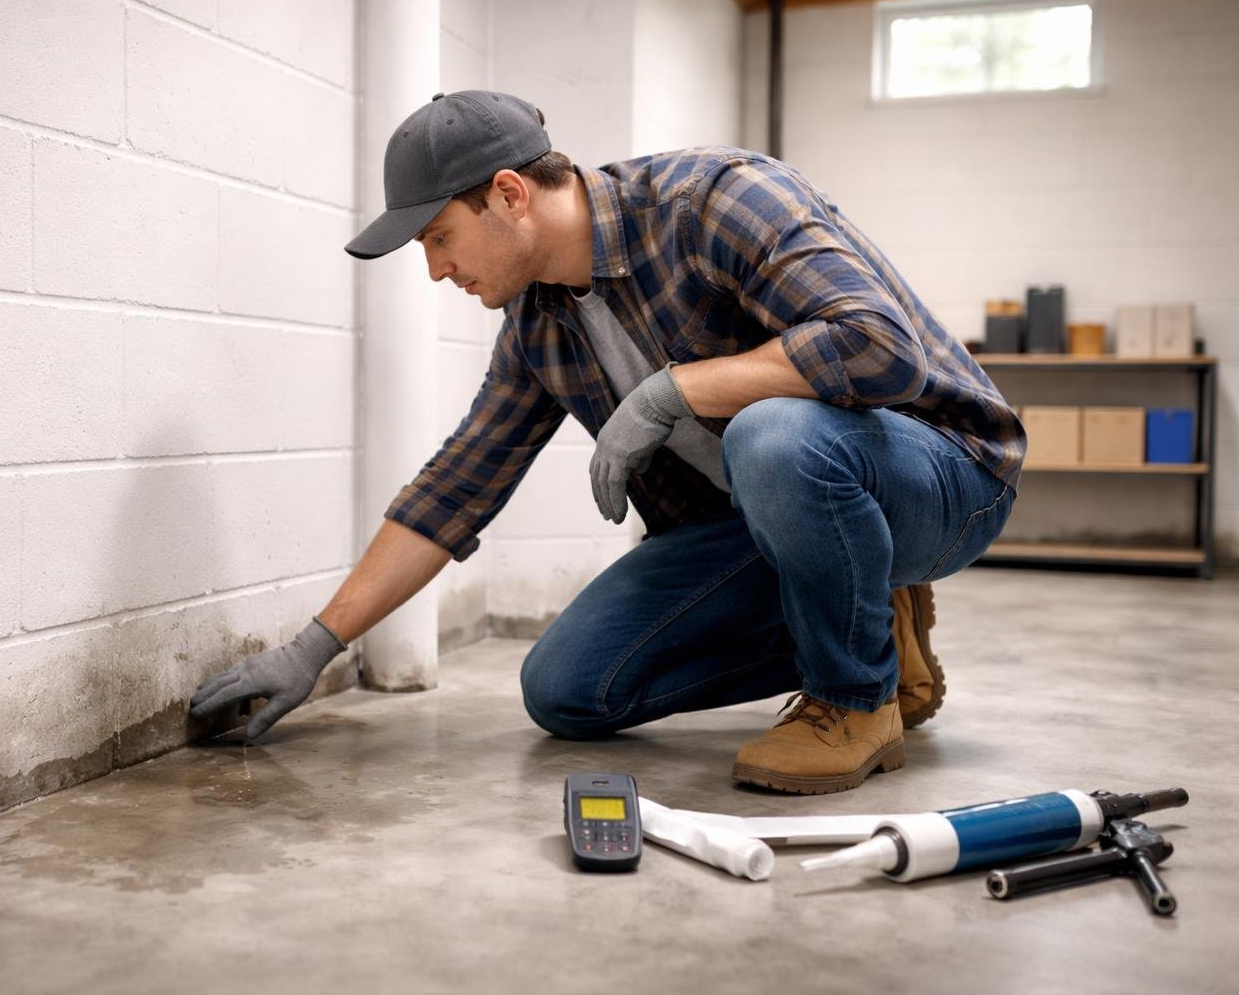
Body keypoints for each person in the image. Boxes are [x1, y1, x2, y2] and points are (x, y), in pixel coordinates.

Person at [191, 90, 1024, 794]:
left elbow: (880, 345)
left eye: (438, 237)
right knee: (568, 690)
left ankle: (854, 697)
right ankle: (866, 606)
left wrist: (679, 389)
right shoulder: (539, 321)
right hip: (757, 522)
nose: (436, 269)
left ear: (511, 195)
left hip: (940, 470)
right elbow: (456, 488)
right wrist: (315, 646)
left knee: (774, 433)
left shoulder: (715, 201)